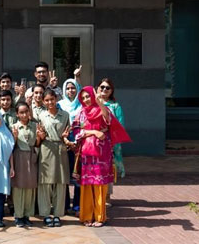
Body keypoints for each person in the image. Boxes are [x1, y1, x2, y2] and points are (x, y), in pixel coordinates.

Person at [73, 86, 130, 227]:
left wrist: (99, 103)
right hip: (86, 154)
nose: (86, 99)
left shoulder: (103, 110)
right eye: (84, 97)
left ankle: (99, 217)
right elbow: (76, 132)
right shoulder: (80, 112)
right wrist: (93, 132)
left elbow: (109, 121)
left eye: (88, 96)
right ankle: (86, 216)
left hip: (101, 154)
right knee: (87, 184)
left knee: (99, 184)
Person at [36, 90, 71, 227]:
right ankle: (45, 213)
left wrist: (66, 137)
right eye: (47, 100)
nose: (50, 102)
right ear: (43, 102)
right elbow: (39, 136)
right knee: (45, 183)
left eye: (52, 99)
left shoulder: (65, 115)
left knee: (60, 183)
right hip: (46, 149)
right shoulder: (41, 115)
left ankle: (57, 214)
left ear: (56, 99)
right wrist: (41, 136)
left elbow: (67, 133)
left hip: (60, 149)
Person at [10, 102, 39, 228]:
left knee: (30, 188)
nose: (24, 114)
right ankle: (19, 215)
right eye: (21, 112)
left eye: (26, 111)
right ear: (17, 114)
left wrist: (39, 137)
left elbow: (37, 143)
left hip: (31, 156)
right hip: (19, 157)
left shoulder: (35, 125)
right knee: (18, 188)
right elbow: (11, 146)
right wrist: (15, 137)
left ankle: (27, 215)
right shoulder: (14, 126)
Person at [58, 78, 82, 214]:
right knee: (64, 177)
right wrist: (66, 140)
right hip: (64, 145)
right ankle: (65, 204)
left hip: (78, 146)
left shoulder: (82, 105)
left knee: (77, 175)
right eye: (67, 88)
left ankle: (78, 205)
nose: (70, 91)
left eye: (73, 88)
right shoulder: (59, 105)